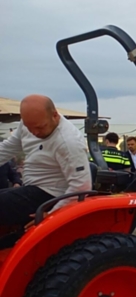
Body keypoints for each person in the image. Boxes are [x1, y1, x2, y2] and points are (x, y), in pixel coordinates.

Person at [0, 95, 92, 228]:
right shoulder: (30, 123)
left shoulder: (68, 142)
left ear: (55, 115)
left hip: (51, 195)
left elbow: (81, 186)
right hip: (31, 187)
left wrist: (52, 214)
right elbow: (8, 148)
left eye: (40, 127)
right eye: (29, 127)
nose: (34, 132)